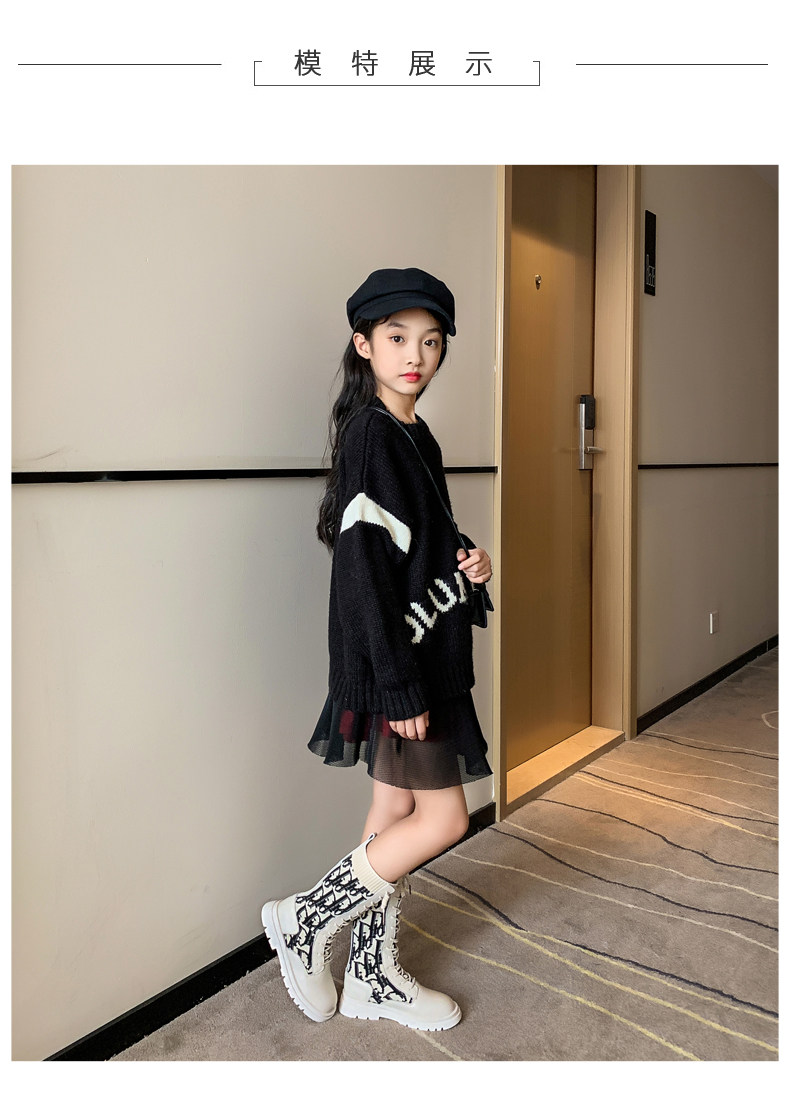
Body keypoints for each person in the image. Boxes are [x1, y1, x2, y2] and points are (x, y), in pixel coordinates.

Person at [261, 266, 493, 1033]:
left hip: (415, 652)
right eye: (397, 338)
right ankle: (304, 918)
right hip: (403, 663)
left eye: (430, 341)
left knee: (394, 809)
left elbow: (410, 543)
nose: (415, 355)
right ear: (363, 344)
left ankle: (369, 974)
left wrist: (467, 558)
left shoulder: (412, 433)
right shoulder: (372, 434)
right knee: (443, 819)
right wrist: (398, 686)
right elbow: (363, 572)